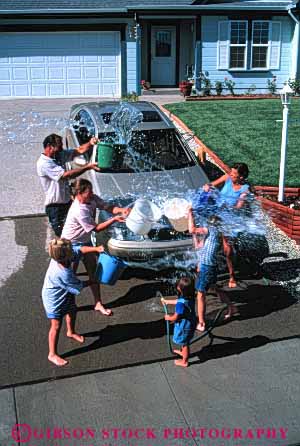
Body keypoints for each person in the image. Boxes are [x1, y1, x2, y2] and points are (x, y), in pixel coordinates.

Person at [61, 178, 130, 316]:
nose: (91, 193)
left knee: (93, 273)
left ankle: (98, 303)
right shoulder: (78, 210)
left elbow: (107, 207)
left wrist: (122, 210)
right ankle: (67, 306)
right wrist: (114, 219)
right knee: (69, 277)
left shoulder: (92, 198)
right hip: (70, 245)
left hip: (85, 242)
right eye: (88, 192)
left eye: (91, 190)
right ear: (79, 194)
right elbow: (97, 229)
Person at [42, 238, 105, 367]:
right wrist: (94, 280)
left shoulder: (63, 257)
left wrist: (96, 249)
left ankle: (71, 332)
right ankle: (52, 354)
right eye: (71, 250)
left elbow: (80, 249)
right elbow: (79, 285)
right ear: (65, 255)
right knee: (56, 325)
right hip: (54, 299)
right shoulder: (62, 273)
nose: (73, 251)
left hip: (65, 293)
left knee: (72, 310)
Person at [37, 133, 100, 237]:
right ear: (49, 146)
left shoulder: (58, 155)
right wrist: (87, 167)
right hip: (55, 208)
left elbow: (78, 150)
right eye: (59, 147)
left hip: (67, 203)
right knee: (65, 237)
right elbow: (65, 175)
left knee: (76, 233)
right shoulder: (44, 163)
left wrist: (90, 143)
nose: (62, 149)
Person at [188, 208, 236, 332]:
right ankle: (231, 307)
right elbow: (199, 246)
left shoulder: (211, 229)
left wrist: (190, 214)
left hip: (207, 267)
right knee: (215, 289)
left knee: (200, 294)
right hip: (210, 266)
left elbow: (191, 229)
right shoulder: (213, 233)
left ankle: (202, 322)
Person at [203, 162, 250, 288]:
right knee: (206, 237)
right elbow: (211, 184)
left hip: (231, 220)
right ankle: (204, 268)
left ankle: (232, 276)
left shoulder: (244, 189)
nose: (231, 174)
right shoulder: (227, 177)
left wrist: (227, 206)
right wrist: (208, 187)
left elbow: (239, 207)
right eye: (231, 172)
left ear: (241, 177)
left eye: (234, 173)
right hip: (218, 215)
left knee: (227, 251)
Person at [161, 277, 196, 368]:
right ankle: (183, 353)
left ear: (180, 289)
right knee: (185, 341)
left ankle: (184, 361)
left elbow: (175, 317)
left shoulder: (181, 304)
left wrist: (168, 318)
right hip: (191, 322)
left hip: (184, 326)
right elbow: (179, 301)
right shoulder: (190, 297)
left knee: (184, 343)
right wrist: (167, 302)